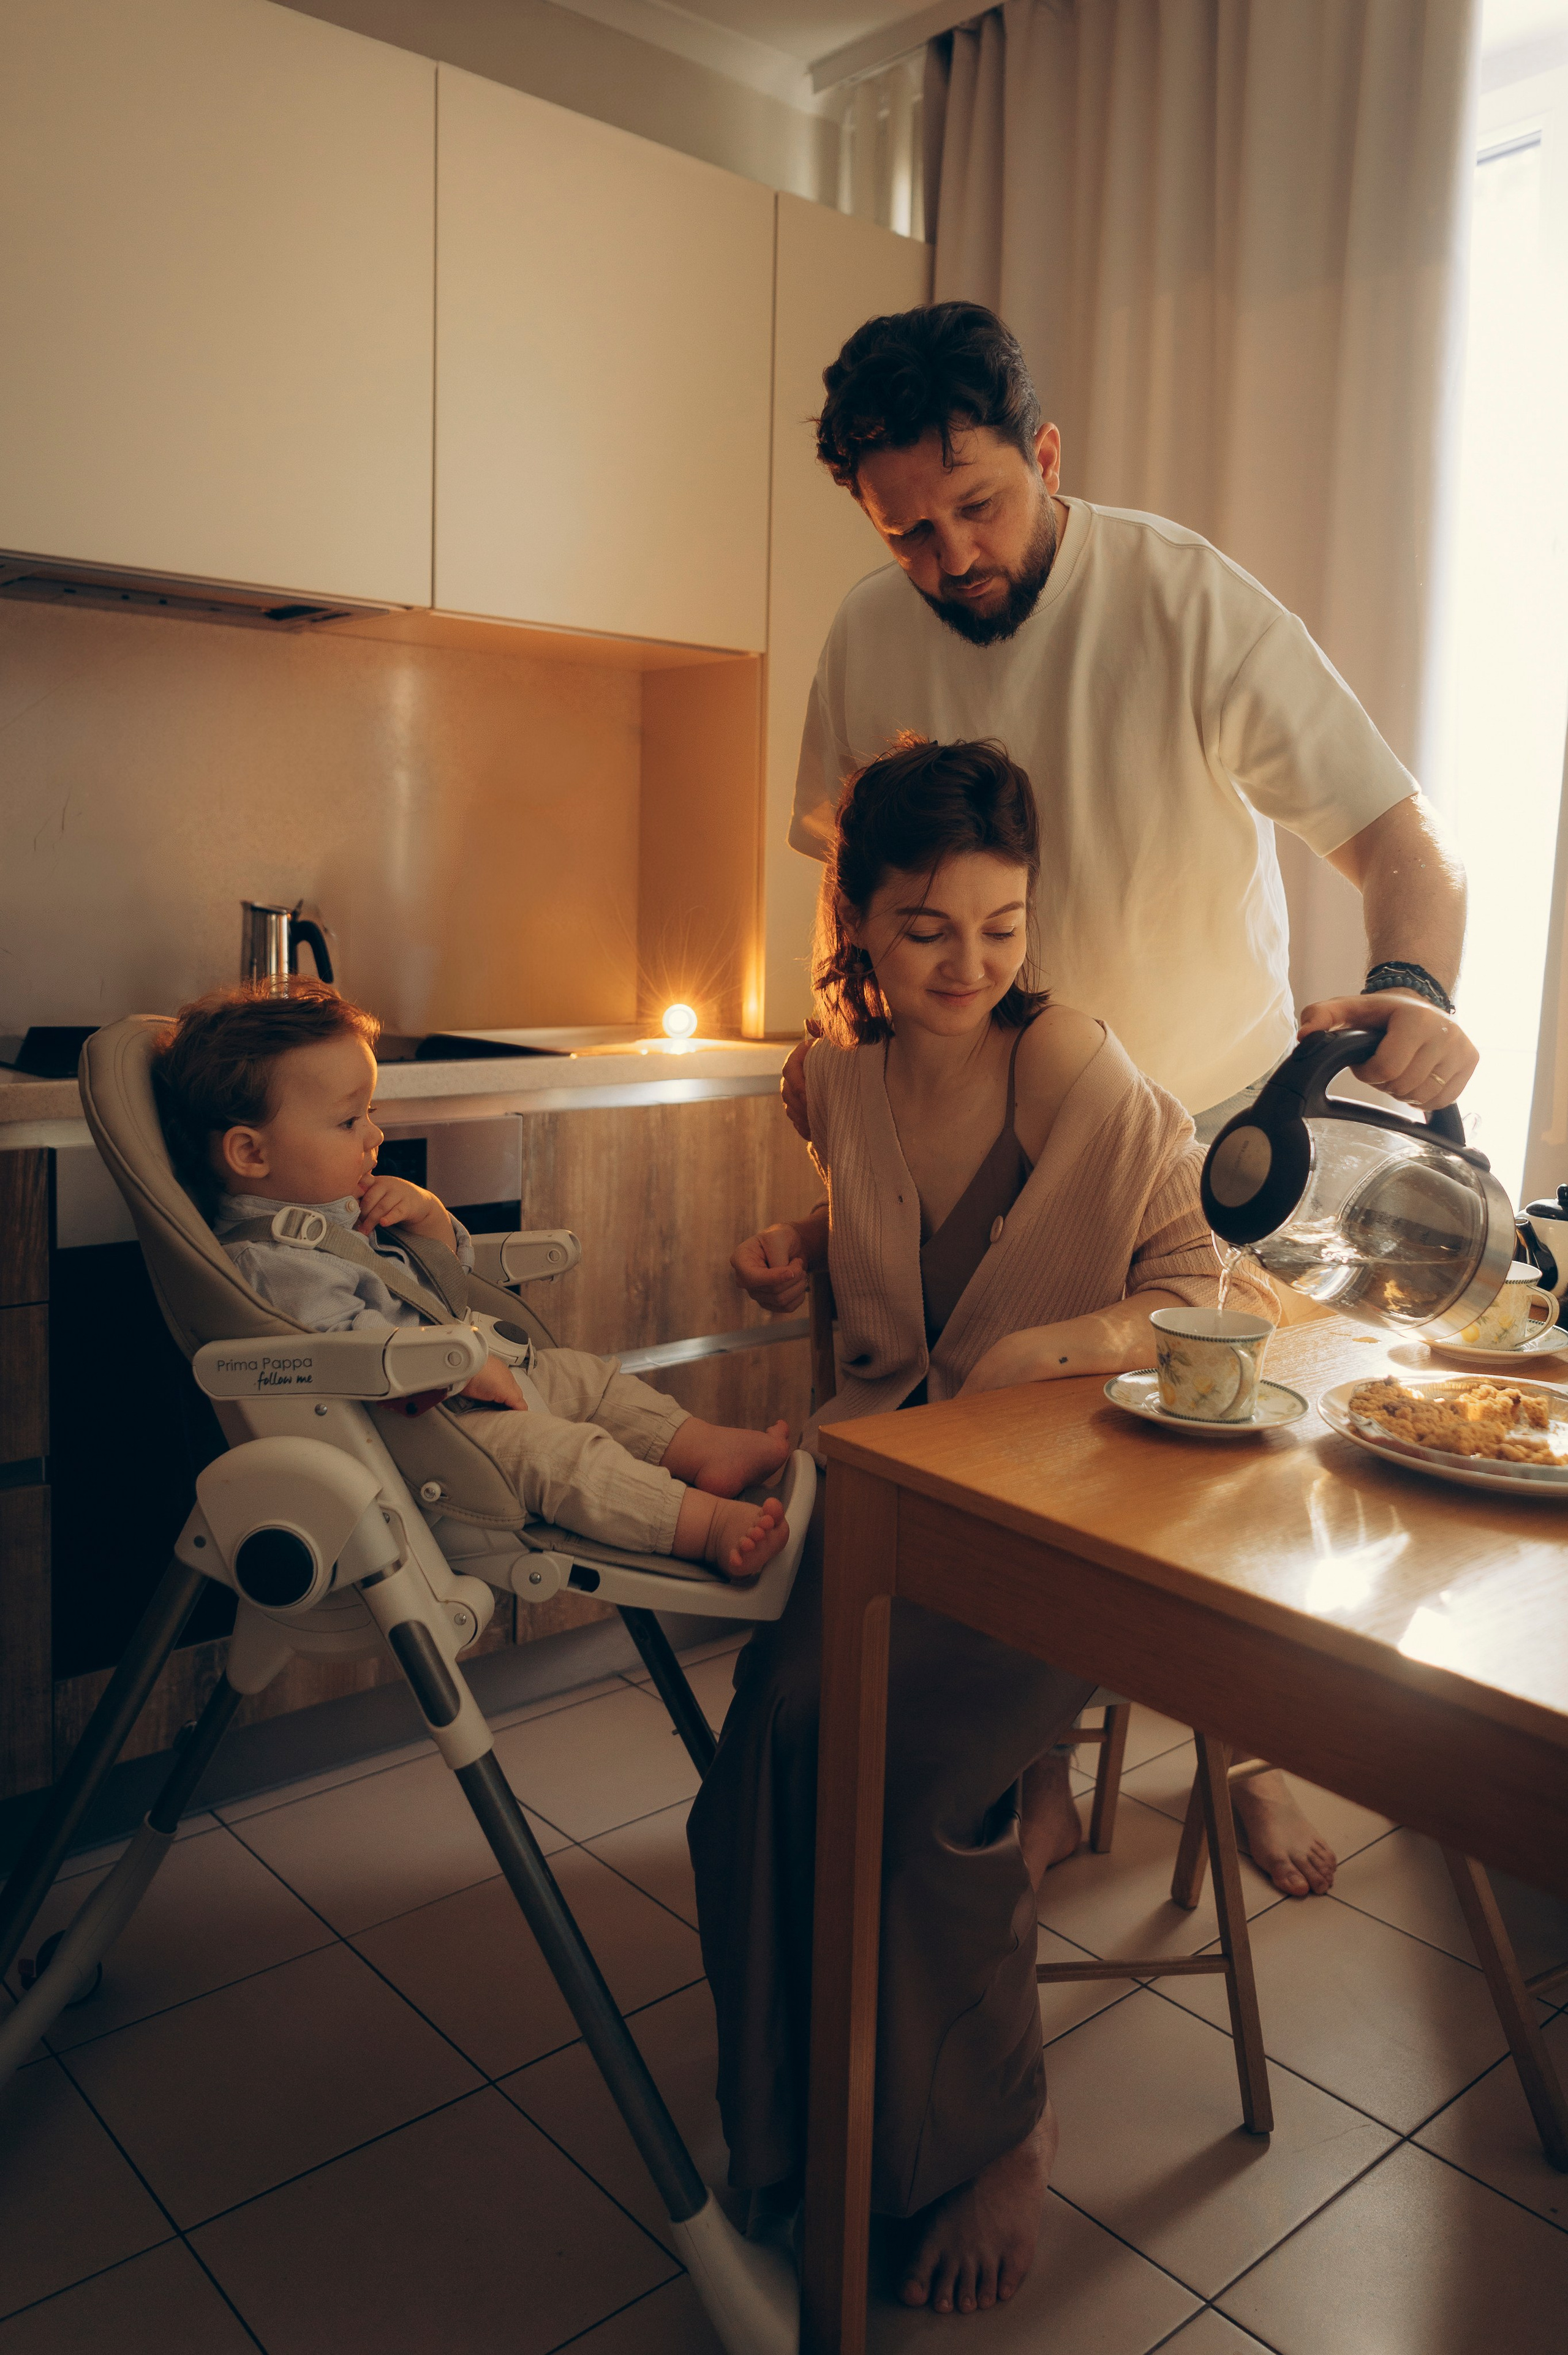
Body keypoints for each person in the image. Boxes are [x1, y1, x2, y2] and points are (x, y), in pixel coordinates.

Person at [769, 298, 1483, 1899]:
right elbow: (843, 891)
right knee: (984, 1497)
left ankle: (1250, 1753)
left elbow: (1400, 840)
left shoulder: (1181, 594)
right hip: (971, 1158)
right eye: (907, 532)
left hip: (1201, 1150)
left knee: (1217, 1504)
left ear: (1046, 454)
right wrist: (841, 1094)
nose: (951, 554)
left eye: (980, 506)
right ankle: (1002, 1778)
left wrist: (1418, 993)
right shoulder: (864, 638)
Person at [690, 737, 1275, 2317]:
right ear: (859, 925)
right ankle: (800, 2131)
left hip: (1062, 1513)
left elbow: (1212, 1288)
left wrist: (1043, 1352)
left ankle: (999, 2131)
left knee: (904, 1772)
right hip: (886, 1500)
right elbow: (899, 1229)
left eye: (1001, 926)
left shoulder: (1070, 1066)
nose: (967, 963)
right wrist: (800, 1239)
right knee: (774, 1742)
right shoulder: (829, 1077)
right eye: (926, 927)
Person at [153, 982, 791, 1580]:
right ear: (251, 1153)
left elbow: (436, 1281)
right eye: (349, 1122)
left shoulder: (330, 1211)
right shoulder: (269, 1262)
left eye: (368, 1112)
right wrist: (455, 1366)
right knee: (563, 1456)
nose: (374, 1135)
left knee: (586, 1380)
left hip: (462, 1387)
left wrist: (429, 1219)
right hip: (418, 1435)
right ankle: (703, 1525)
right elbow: (342, 1349)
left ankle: (707, 1448)